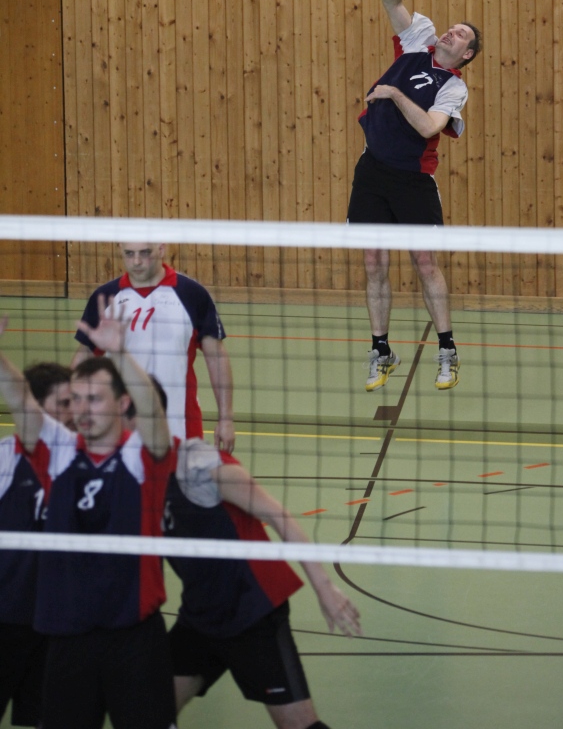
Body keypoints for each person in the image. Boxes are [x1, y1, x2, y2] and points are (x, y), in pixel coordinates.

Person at [1, 299, 177, 729]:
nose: (82, 409)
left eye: (94, 399)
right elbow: (22, 401)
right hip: (68, 636)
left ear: (121, 403)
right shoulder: (60, 453)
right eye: (76, 399)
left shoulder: (140, 458)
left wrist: (119, 353)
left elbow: (153, 412)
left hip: (133, 635)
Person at [347, 0, 481, 392]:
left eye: (460, 34)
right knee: (373, 262)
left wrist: (393, 92)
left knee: (425, 263)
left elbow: (428, 128)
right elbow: (394, 3)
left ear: (467, 54)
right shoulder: (417, 41)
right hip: (372, 171)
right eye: (452, 28)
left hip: (413, 180)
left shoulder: (453, 86)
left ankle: (447, 350)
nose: (451, 33)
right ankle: (381, 350)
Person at [164, 434, 362, 728]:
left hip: (252, 613)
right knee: (148, 712)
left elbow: (277, 515)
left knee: (300, 725)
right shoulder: (136, 475)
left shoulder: (198, 463)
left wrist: (324, 588)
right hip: (200, 615)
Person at [72, 242, 235, 450]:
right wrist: (68, 412)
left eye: (145, 253)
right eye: (129, 254)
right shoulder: (106, 297)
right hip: (121, 427)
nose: (136, 261)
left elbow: (216, 357)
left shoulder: (191, 294)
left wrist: (226, 419)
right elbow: (83, 357)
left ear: (161, 249)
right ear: (120, 250)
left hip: (180, 426)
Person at [0, 345, 73, 728]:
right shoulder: (5, 459)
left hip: (54, 622)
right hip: (4, 617)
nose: (74, 412)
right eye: (64, 403)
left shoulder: (79, 457)